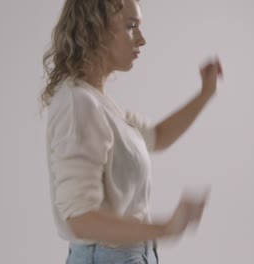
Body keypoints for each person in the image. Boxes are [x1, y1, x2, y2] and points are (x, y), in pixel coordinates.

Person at [40, 0, 223, 263]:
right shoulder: (78, 104)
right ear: (95, 29)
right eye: (131, 26)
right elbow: (80, 219)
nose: (141, 39)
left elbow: (157, 137)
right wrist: (167, 228)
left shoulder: (99, 103)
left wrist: (206, 94)